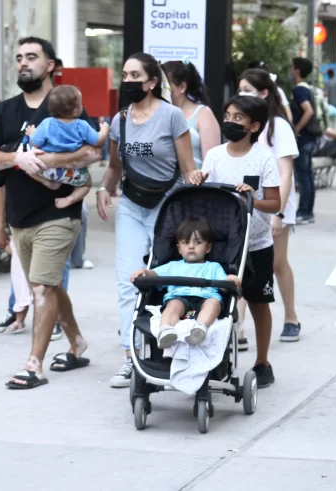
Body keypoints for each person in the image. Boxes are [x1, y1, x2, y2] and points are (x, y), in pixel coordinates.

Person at [0, 36, 101, 389]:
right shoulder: (5, 110)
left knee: (41, 289)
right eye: (19, 57)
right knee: (48, 286)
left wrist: (47, 160)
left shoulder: (68, 105)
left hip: (59, 212)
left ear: (50, 65)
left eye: (31, 57)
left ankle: (34, 365)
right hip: (20, 217)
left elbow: (92, 153)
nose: (23, 63)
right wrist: (16, 158)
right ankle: (77, 344)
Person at [96, 52, 205, 389]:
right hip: (131, 204)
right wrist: (104, 187)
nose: (127, 81)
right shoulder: (120, 120)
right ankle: (131, 358)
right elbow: (116, 166)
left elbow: (188, 168)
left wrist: (197, 184)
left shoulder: (172, 117)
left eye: (134, 76)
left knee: (166, 279)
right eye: (124, 75)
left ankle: (171, 349)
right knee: (129, 281)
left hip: (167, 206)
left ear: (152, 82)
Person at [200, 95, 281, 388]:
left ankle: (262, 362)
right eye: (228, 116)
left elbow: (274, 202)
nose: (230, 122)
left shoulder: (263, 159)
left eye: (238, 118)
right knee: (216, 299)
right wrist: (197, 179)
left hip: (256, 242)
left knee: (259, 302)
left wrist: (253, 199)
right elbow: (205, 192)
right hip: (221, 242)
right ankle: (213, 357)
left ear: (254, 126)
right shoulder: (215, 155)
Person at [238, 68, 301, 343]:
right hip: (246, 202)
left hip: (276, 203)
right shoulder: (242, 124)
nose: (242, 95)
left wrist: (278, 211)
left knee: (276, 262)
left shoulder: (279, 126)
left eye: (247, 90)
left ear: (263, 93)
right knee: (241, 263)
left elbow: (285, 172)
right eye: (239, 89)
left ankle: (291, 316)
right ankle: (237, 326)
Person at [130, 218, 241, 348]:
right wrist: (144, 272)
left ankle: (200, 328)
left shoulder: (214, 267)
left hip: (206, 298)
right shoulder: (172, 266)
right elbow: (154, 274)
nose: (191, 246)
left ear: (208, 247)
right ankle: (166, 330)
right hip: (179, 297)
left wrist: (232, 279)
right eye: (186, 242)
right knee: (172, 306)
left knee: (214, 303)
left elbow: (224, 282)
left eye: (198, 242)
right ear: (179, 249)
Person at [24, 85, 109, 208]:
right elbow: (98, 142)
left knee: (27, 168)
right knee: (86, 184)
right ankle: (70, 198)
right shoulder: (82, 126)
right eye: (81, 104)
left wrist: (32, 133)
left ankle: (48, 183)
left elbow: (35, 143)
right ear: (76, 111)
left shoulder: (47, 123)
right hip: (74, 171)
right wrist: (104, 130)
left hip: (47, 170)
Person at [162, 60, 221, 169]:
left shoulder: (203, 114)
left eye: (165, 85)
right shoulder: (158, 114)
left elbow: (211, 165)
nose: (161, 89)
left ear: (182, 87)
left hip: (192, 185)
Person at [289, 57, 319, 224]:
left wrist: (296, 129)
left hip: (304, 138)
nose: (290, 70)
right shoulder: (307, 88)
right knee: (307, 175)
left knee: (304, 176)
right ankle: (307, 211)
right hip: (310, 138)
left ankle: (304, 212)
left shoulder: (299, 90)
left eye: (292, 67)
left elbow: (308, 111)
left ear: (297, 70)